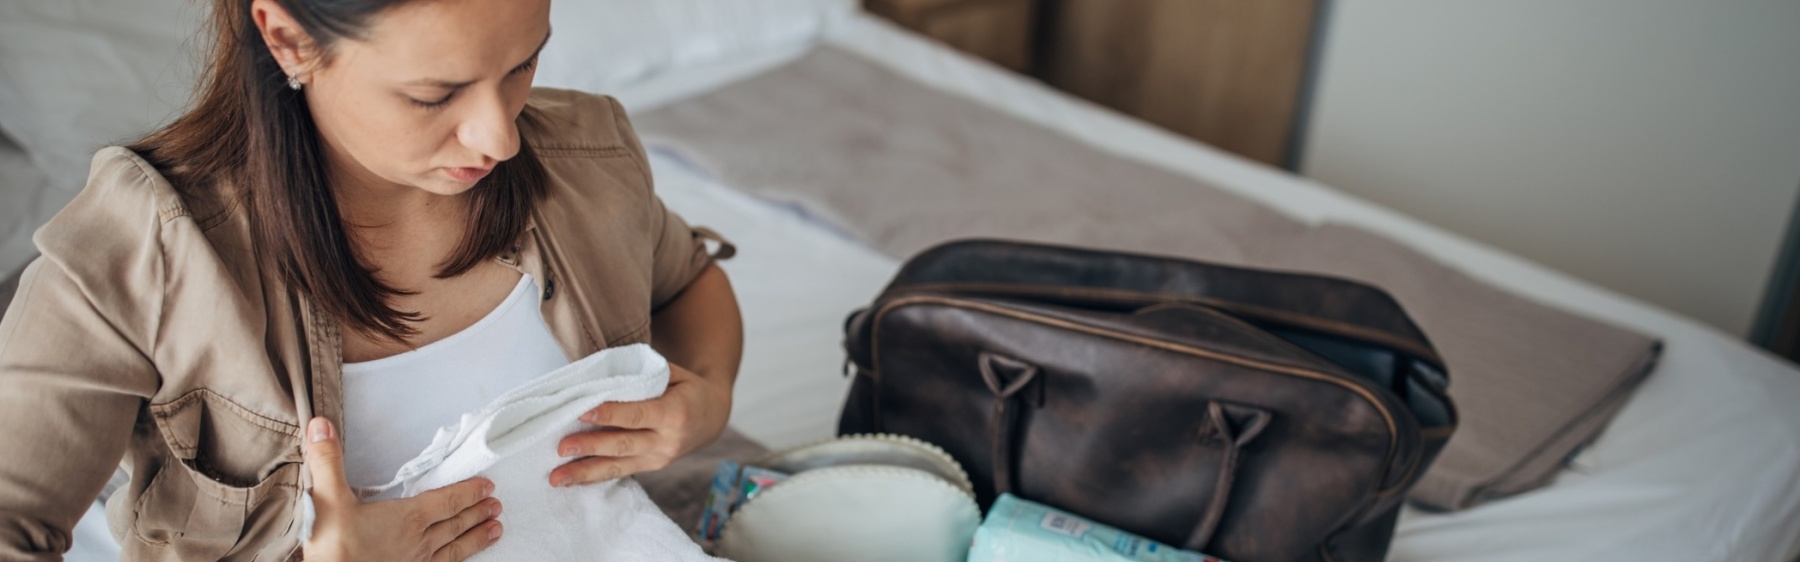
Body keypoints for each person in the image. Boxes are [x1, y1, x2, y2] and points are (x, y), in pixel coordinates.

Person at [0, 0, 744, 559]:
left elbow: (684, 279)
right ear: (287, 38)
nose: (500, 135)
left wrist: (707, 396)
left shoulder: (584, 156)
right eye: (434, 94)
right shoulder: (140, 250)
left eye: (522, 65)